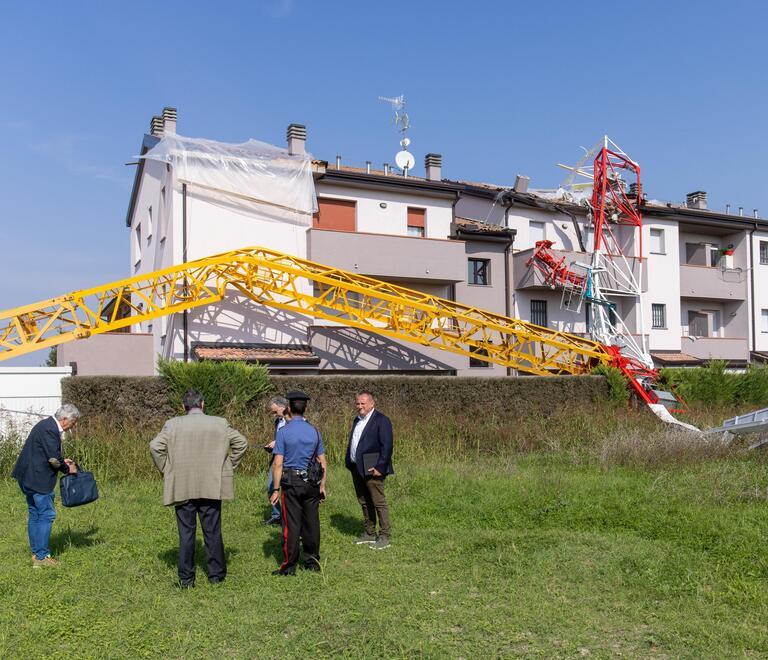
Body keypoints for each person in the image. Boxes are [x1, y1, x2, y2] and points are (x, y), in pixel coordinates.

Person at [149, 389, 248, 588]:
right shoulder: (219, 423)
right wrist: (228, 465)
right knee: (212, 530)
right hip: (212, 483)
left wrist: (166, 469)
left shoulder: (172, 424)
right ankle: (216, 576)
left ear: (183, 406)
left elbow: (154, 447)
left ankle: (186, 579)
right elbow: (242, 443)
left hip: (182, 485)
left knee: (186, 534)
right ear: (202, 404)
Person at [11, 404, 80, 568]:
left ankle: (36, 554)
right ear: (64, 419)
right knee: (46, 515)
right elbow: (53, 459)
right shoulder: (51, 430)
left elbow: (50, 454)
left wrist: (63, 461)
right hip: (38, 479)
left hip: (27, 477)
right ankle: (42, 557)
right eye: (74, 422)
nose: (74, 425)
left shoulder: (45, 425)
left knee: (35, 513)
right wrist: (67, 468)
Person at [269, 390, 327, 575]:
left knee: (291, 525)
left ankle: (289, 565)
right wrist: (322, 486)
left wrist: (276, 489)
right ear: (306, 408)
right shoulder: (315, 431)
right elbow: (322, 463)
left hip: (291, 482)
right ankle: (311, 561)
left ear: (288, 408)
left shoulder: (284, 432)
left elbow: (278, 463)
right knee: (312, 522)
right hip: (311, 483)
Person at [345, 391, 394, 550]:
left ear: (371, 403)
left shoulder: (381, 420)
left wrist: (380, 467)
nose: (359, 406)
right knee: (364, 501)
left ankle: (384, 535)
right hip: (357, 467)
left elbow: (387, 446)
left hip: (373, 467)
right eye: (358, 403)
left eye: (363, 403)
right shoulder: (357, 420)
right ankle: (369, 533)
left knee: (378, 502)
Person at [262, 395, 289, 526]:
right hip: (276, 458)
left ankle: (287, 517)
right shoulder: (278, 421)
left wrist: (276, 442)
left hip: (289, 460)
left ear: (283, 407)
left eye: (275, 411)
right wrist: (271, 447)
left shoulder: (292, 421)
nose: (274, 415)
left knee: (287, 490)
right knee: (271, 486)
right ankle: (276, 515)